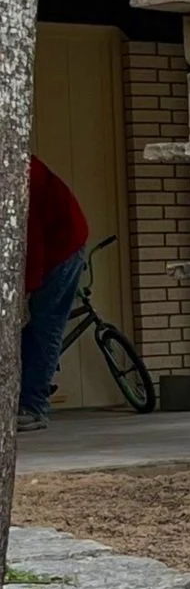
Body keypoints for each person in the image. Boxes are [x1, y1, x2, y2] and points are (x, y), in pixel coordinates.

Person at [19, 158, 88, 432]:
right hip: (43, 247)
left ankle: (34, 407)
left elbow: (31, 246)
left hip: (62, 252)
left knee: (45, 325)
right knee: (29, 332)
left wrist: (22, 296)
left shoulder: (24, 179)